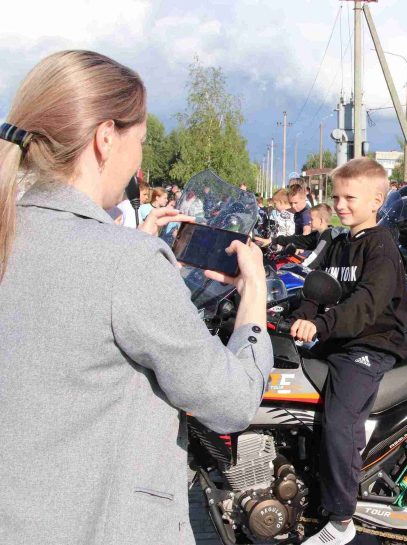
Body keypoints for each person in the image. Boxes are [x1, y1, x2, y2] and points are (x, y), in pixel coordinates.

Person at [0, 51, 273, 545]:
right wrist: (253, 293)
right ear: (106, 138)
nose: (140, 159)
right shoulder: (127, 261)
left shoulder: (13, 234)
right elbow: (229, 402)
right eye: (140, 141)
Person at [290, 157, 407, 545]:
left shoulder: (381, 248)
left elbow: (365, 304)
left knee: (340, 420)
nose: (340, 205)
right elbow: (315, 289)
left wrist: (320, 325)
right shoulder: (340, 244)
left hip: (370, 345)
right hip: (337, 340)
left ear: (377, 200)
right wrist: (296, 314)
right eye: (336, 196)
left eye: (349, 198)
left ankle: (342, 519)